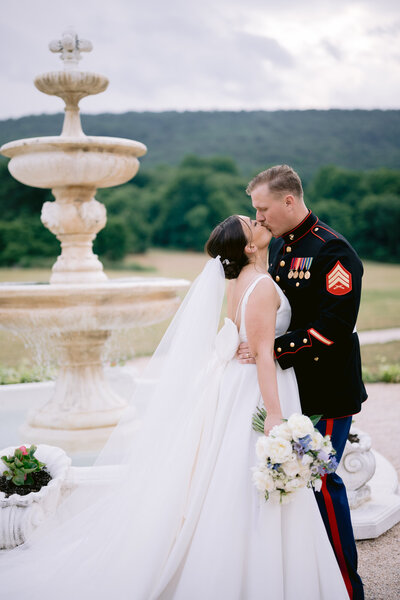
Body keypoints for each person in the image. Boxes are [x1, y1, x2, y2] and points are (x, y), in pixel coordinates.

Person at [0, 215, 349, 599]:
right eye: (252, 223)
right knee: (247, 480)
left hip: (235, 383)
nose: (258, 220)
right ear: (249, 247)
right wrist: (277, 417)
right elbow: (264, 356)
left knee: (232, 477)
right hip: (256, 389)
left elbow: (239, 338)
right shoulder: (262, 285)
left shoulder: (238, 282)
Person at [238, 165, 367, 600]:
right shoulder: (280, 245)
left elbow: (332, 330)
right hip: (291, 387)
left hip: (326, 389)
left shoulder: (334, 252)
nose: (257, 218)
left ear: (288, 201)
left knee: (322, 485)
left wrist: (269, 350)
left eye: (262, 208)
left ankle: (347, 588)